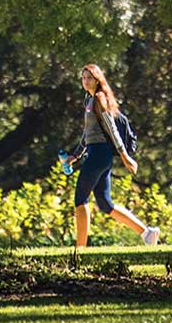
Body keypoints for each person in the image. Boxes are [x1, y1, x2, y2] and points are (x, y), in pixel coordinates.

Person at [67, 64, 161, 248]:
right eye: (83, 77)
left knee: (80, 199)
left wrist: (125, 156)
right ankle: (147, 233)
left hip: (99, 155)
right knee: (105, 204)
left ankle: (80, 249)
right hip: (97, 155)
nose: (85, 81)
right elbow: (88, 133)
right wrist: (76, 155)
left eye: (89, 78)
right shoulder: (89, 100)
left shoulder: (99, 99)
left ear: (97, 80)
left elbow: (111, 129)